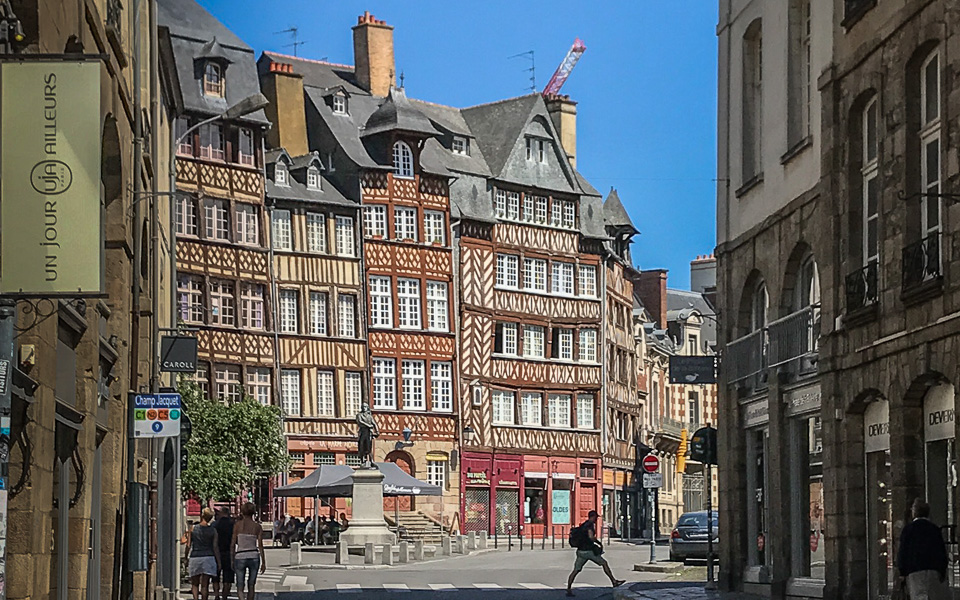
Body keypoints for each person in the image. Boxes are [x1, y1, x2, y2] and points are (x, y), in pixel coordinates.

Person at [897, 498, 949, 600]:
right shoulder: (934, 529)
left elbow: (903, 551)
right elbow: (941, 551)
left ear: (914, 512)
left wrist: (902, 571)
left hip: (915, 570)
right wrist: (942, 570)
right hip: (933, 570)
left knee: (918, 595)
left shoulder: (908, 529)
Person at [566, 510, 625, 597]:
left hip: (580, 551)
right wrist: (598, 543)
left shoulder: (583, 524)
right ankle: (614, 581)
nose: (596, 519)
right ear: (593, 517)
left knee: (576, 570)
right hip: (588, 551)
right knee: (604, 563)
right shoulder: (589, 525)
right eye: (596, 517)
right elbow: (591, 537)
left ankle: (568, 589)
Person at [231, 502, 266, 600]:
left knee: (240, 585)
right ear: (253, 512)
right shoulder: (257, 526)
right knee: (251, 585)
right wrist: (263, 562)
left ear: (242, 512)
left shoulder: (237, 525)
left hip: (240, 555)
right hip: (253, 555)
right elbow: (260, 545)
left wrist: (232, 559)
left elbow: (232, 544)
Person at [186, 508, 221, 600]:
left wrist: (186, 557)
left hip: (195, 557)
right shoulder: (213, 531)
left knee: (195, 584)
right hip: (209, 558)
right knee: (205, 585)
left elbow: (188, 545)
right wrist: (218, 561)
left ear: (202, 515)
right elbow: (215, 547)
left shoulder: (193, 528)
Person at [212, 507, 235, 600]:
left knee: (215, 576)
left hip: (216, 552)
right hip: (228, 552)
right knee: (228, 577)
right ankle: (224, 596)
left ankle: (216, 595)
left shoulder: (215, 524)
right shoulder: (232, 525)